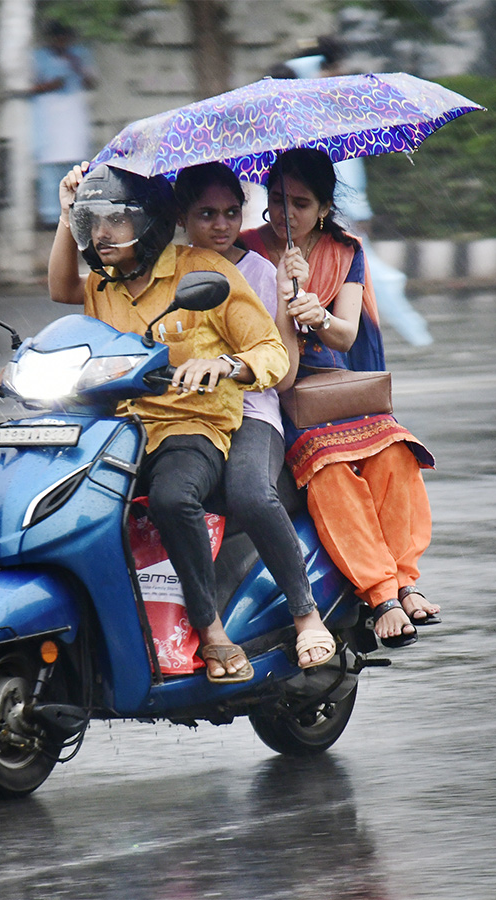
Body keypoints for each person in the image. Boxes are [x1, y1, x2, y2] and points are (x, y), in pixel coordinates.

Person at [48, 161, 290, 682]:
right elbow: (59, 291)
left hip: (192, 421)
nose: (103, 232)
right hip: (120, 426)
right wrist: (68, 213)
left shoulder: (203, 271)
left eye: (117, 219)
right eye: (95, 221)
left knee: (171, 499)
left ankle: (211, 630)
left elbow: (271, 350)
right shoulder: (104, 283)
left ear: (154, 222)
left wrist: (224, 364)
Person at [240, 148, 441, 647]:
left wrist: (318, 313)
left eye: (301, 204)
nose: (286, 214)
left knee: (395, 452)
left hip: (336, 384)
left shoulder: (344, 250)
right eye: (278, 200)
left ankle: (406, 577)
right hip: (278, 387)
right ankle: (383, 594)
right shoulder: (245, 249)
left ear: (324, 208)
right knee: (328, 470)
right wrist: (283, 293)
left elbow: (346, 336)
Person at [174, 162, 336, 668]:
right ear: (182, 217)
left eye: (230, 212)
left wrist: (289, 298)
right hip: (181, 415)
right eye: (206, 214)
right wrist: (72, 218)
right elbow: (72, 291)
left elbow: (282, 375)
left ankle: (306, 613)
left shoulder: (261, 272)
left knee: (248, 492)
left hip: (250, 410)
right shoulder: (164, 270)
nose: (221, 225)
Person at [283, 37, 434, 347]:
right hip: (333, 216)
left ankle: (410, 333)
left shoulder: (302, 103)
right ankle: (414, 335)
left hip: (332, 214)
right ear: (326, 67)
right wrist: (358, 214)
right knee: (363, 280)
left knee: (355, 282)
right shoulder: (324, 110)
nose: (340, 74)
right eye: (336, 68)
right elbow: (345, 171)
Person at [31, 22, 97, 227]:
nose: (61, 43)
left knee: (75, 166)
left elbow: (91, 82)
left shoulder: (79, 55)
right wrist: (49, 85)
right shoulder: (37, 57)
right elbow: (26, 86)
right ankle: (51, 216)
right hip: (48, 117)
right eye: (57, 39)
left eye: (65, 39)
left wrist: (75, 63)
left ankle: (78, 211)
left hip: (72, 116)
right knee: (50, 170)